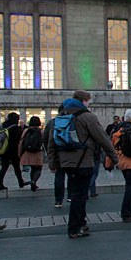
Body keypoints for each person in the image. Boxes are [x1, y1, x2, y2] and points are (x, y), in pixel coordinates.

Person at [47, 90, 119, 239]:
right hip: (83, 161)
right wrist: (113, 157)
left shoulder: (60, 116)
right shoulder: (87, 117)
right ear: (84, 100)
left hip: (65, 162)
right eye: (89, 101)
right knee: (79, 195)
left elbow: (51, 142)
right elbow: (102, 138)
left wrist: (53, 162)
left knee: (76, 193)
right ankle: (75, 227)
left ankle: (81, 222)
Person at [44, 105, 67, 208]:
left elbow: (45, 139)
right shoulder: (73, 120)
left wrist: (50, 156)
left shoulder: (52, 122)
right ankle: (71, 196)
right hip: (72, 154)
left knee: (59, 177)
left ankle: (58, 200)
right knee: (72, 176)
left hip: (58, 154)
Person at [0, 112, 26, 191]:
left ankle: (0, 183)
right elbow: (19, 138)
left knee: (4, 167)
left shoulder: (2, 126)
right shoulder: (15, 127)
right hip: (13, 150)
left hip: (3, 150)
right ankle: (20, 182)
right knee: (16, 167)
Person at [18, 116, 45, 191]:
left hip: (27, 152)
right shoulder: (40, 131)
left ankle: (33, 182)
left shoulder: (26, 130)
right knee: (38, 168)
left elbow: (21, 142)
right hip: (37, 152)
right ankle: (34, 181)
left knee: (33, 168)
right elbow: (44, 143)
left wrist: (20, 153)